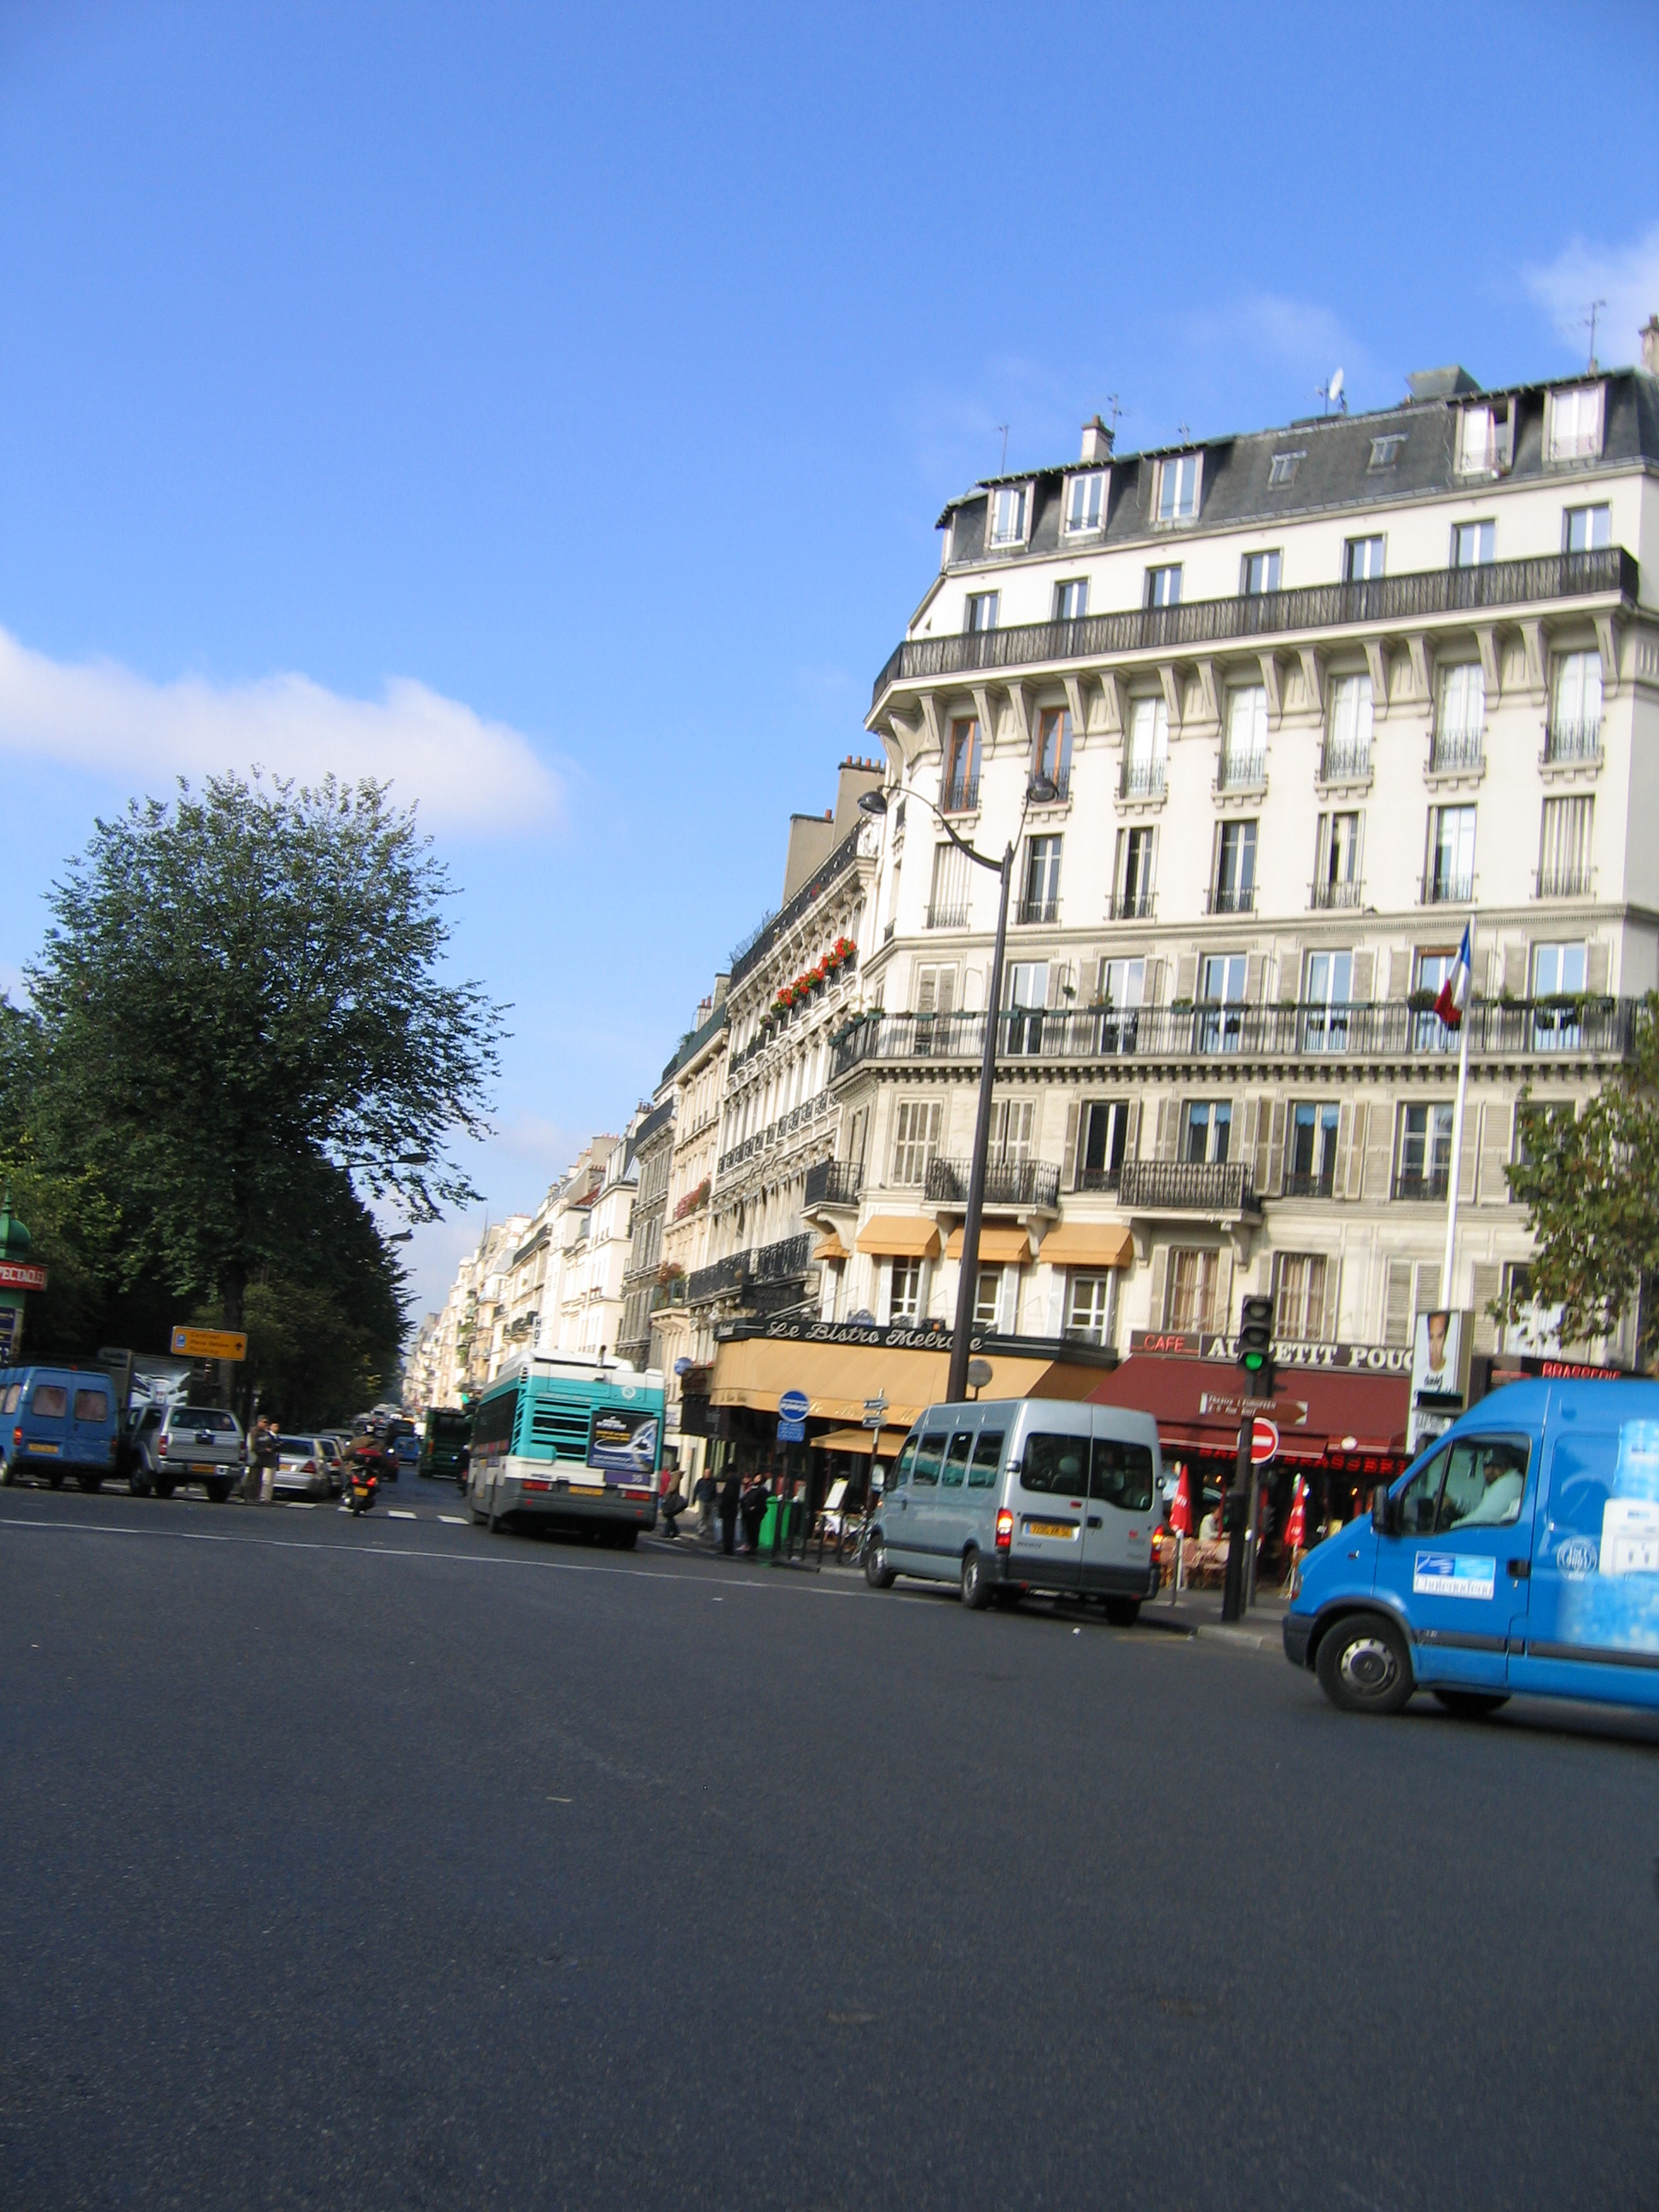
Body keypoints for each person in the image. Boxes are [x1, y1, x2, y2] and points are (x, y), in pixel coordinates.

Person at [247, 1415, 281, 1505]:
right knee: (253, 1479)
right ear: (259, 1422)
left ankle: (257, 1497)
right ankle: (250, 1497)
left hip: (262, 1459)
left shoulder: (265, 1433)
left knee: (259, 1479)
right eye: (264, 1422)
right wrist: (264, 1450)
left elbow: (268, 1443)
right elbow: (253, 1446)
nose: (266, 1424)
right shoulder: (254, 1431)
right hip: (255, 1458)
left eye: (267, 1422)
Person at [739, 1471, 768, 1554]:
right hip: (747, 1513)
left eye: (758, 1478)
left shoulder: (761, 1490)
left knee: (754, 1530)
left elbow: (761, 1502)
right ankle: (748, 1545)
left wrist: (754, 1508)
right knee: (748, 1529)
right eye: (756, 1477)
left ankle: (752, 1546)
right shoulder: (752, 1488)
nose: (756, 1479)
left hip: (755, 1514)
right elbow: (745, 1498)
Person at [719, 1470, 740, 1556]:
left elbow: (729, 1495)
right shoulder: (737, 1480)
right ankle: (728, 1548)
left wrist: (723, 1505)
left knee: (727, 1529)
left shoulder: (731, 1480)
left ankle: (727, 1549)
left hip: (728, 1509)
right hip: (733, 1508)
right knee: (730, 1529)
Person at [695, 1467, 718, 1544]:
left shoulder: (713, 1482)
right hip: (702, 1499)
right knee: (702, 1515)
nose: (707, 1474)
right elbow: (696, 1490)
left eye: (708, 1473)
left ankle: (705, 1528)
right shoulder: (700, 1481)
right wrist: (695, 1498)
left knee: (708, 1515)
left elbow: (715, 1491)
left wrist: (715, 1500)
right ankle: (700, 1529)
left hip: (710, 1500)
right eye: (706, 1472)